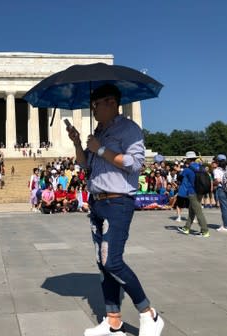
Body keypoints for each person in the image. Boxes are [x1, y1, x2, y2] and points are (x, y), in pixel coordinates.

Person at [66, 84, 164, 336]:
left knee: (113, 260)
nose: (93, 109)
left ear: (111, 102)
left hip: (118, 201)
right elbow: (84, 164)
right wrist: (79, 143)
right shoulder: (99, 130)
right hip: (98, 201)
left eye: (95, 105)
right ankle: (113, 321)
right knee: (102, 262)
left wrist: (100, 148)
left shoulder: (129, 130)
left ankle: (148, 313)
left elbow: (134, 164)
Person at [176, 151, 210, 237]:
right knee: (192, 210)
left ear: (188, 160)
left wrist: (179, 170)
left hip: (192, 192)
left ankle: (205, 231)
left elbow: (179, 178)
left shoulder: (187, 169)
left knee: (198, 212)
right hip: (201, 191)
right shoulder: (201, 167)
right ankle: (186, 228)